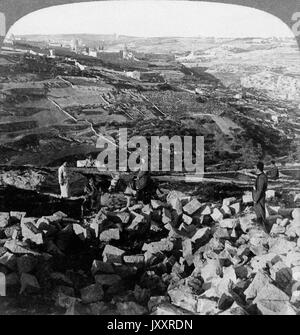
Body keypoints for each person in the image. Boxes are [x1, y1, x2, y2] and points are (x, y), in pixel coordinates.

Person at [252, 161, 268, 231]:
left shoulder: (261, 177)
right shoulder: (262, 176)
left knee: (260, 212)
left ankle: (265, 229)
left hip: (259, 197)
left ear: (258, 168)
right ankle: (260, 226)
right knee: (258, 211)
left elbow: (260, 190)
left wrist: (255, 199)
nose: (254, 169)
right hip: (259, 196)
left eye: (255, 168)